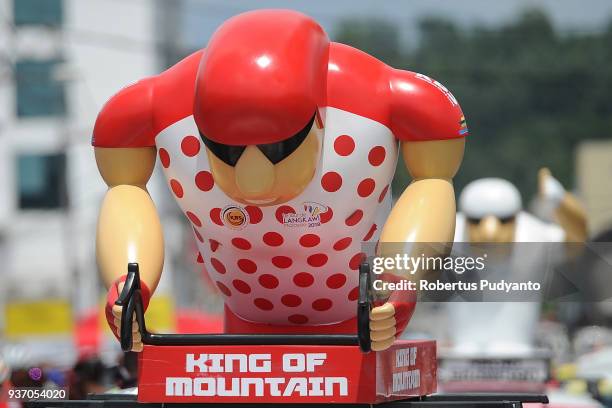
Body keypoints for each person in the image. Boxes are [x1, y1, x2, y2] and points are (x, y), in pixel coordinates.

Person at [94, 9, 467, 352]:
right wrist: (130, 287)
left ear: (319, 120)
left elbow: (432, 180)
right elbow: (125, 188)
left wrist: (399, 280)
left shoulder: (377, 102)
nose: (253, 184)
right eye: (225, 151)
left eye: (279, 149)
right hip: (243, 318)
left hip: (356, 320)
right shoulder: (158, 109)